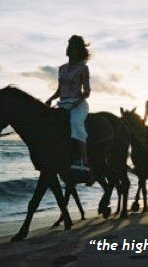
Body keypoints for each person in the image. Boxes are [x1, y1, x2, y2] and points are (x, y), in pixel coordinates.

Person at [45, 35, 91, 171]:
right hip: (63, 103)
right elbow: (60, 90)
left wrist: (76, 102)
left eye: (73, 46)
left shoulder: (83, 68)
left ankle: (84, 160)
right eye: (69, 45)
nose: (69, 48)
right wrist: (50, 99)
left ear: (78, 50)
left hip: (78, 103)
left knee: (75, 123)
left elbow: (87, 91)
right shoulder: (61, 68)